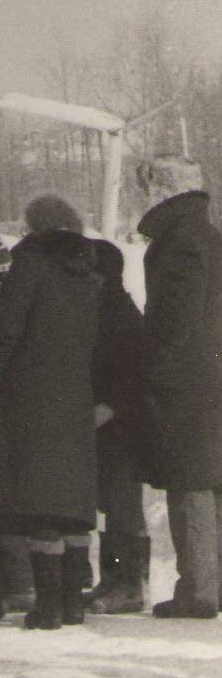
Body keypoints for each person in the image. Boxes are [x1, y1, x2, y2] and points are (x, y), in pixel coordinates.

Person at [0, 196, 101, 630]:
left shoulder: (30, 264)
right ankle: (73, 602)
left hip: (31, 395)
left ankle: (47, 606)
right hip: (75, 396)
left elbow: (6, 328)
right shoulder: (90, 271)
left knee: (38, 503)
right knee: (69, 503)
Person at [135, 156, 222, 619]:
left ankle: (201, 589)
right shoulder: (207, 235)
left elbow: (176, 319)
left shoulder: (179, 241)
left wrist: (158, 371)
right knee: (212, 480)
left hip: (188, 381)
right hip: (212, 374)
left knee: (190, 481)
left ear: (159, 189)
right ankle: (209, 585)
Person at [85, 238, 150, 614]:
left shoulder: (117, 313)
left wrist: (110, 405)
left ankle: (128, 586)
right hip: (114, 421)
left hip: (120, 424)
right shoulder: (114, 307)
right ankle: (114, 581)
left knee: (123, 505)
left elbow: (133, 370)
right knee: (114, 504)